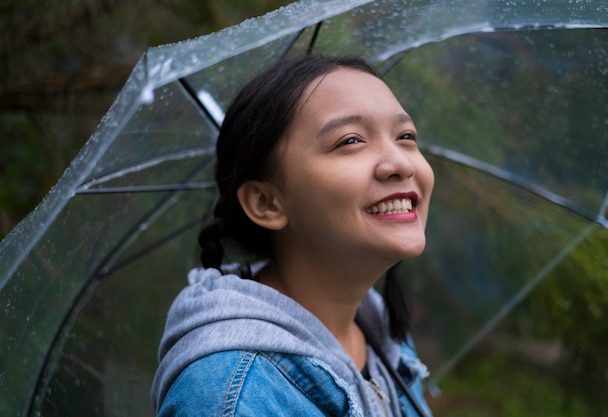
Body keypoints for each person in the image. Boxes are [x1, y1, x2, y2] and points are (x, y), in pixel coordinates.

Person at [151, 55, 435, 417]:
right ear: (267, 202)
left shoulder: (382, 330)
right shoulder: (232, 395)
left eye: (406, 136)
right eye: (350, 140)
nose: (401, 163)